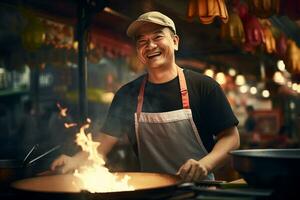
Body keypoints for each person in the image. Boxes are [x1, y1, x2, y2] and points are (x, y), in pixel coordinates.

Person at [51, 11, 240, 182]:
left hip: (199, 191)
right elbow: (102, 144)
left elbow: (231, 138)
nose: (150, 45)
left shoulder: (204, 87)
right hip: (152, 190)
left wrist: (205, 164)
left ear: (175, 42)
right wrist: (75, 160)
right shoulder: (128, 94)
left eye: (158, 37)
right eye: (142, 41)